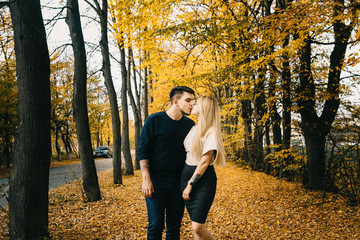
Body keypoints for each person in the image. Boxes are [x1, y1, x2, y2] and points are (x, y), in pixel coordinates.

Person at [138, 86, 195, 240]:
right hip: (156, 182)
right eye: (188, 100)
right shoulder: (154, 120)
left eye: (193, 101)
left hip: (179, 183)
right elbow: (143, 150)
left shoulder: (189, 125)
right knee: (155, 224)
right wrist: (146, 178)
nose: (192, 104)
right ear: (176, 101)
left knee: (174, 226)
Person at [180, 95, 226, 240]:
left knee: (197, 226)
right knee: (195, 225)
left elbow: (205, 162)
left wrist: (190, 184)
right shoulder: (193, 128)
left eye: (197, 103)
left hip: (202, 181)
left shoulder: (211, 131)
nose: (193, 104)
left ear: (205, 108)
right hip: (185, 178)